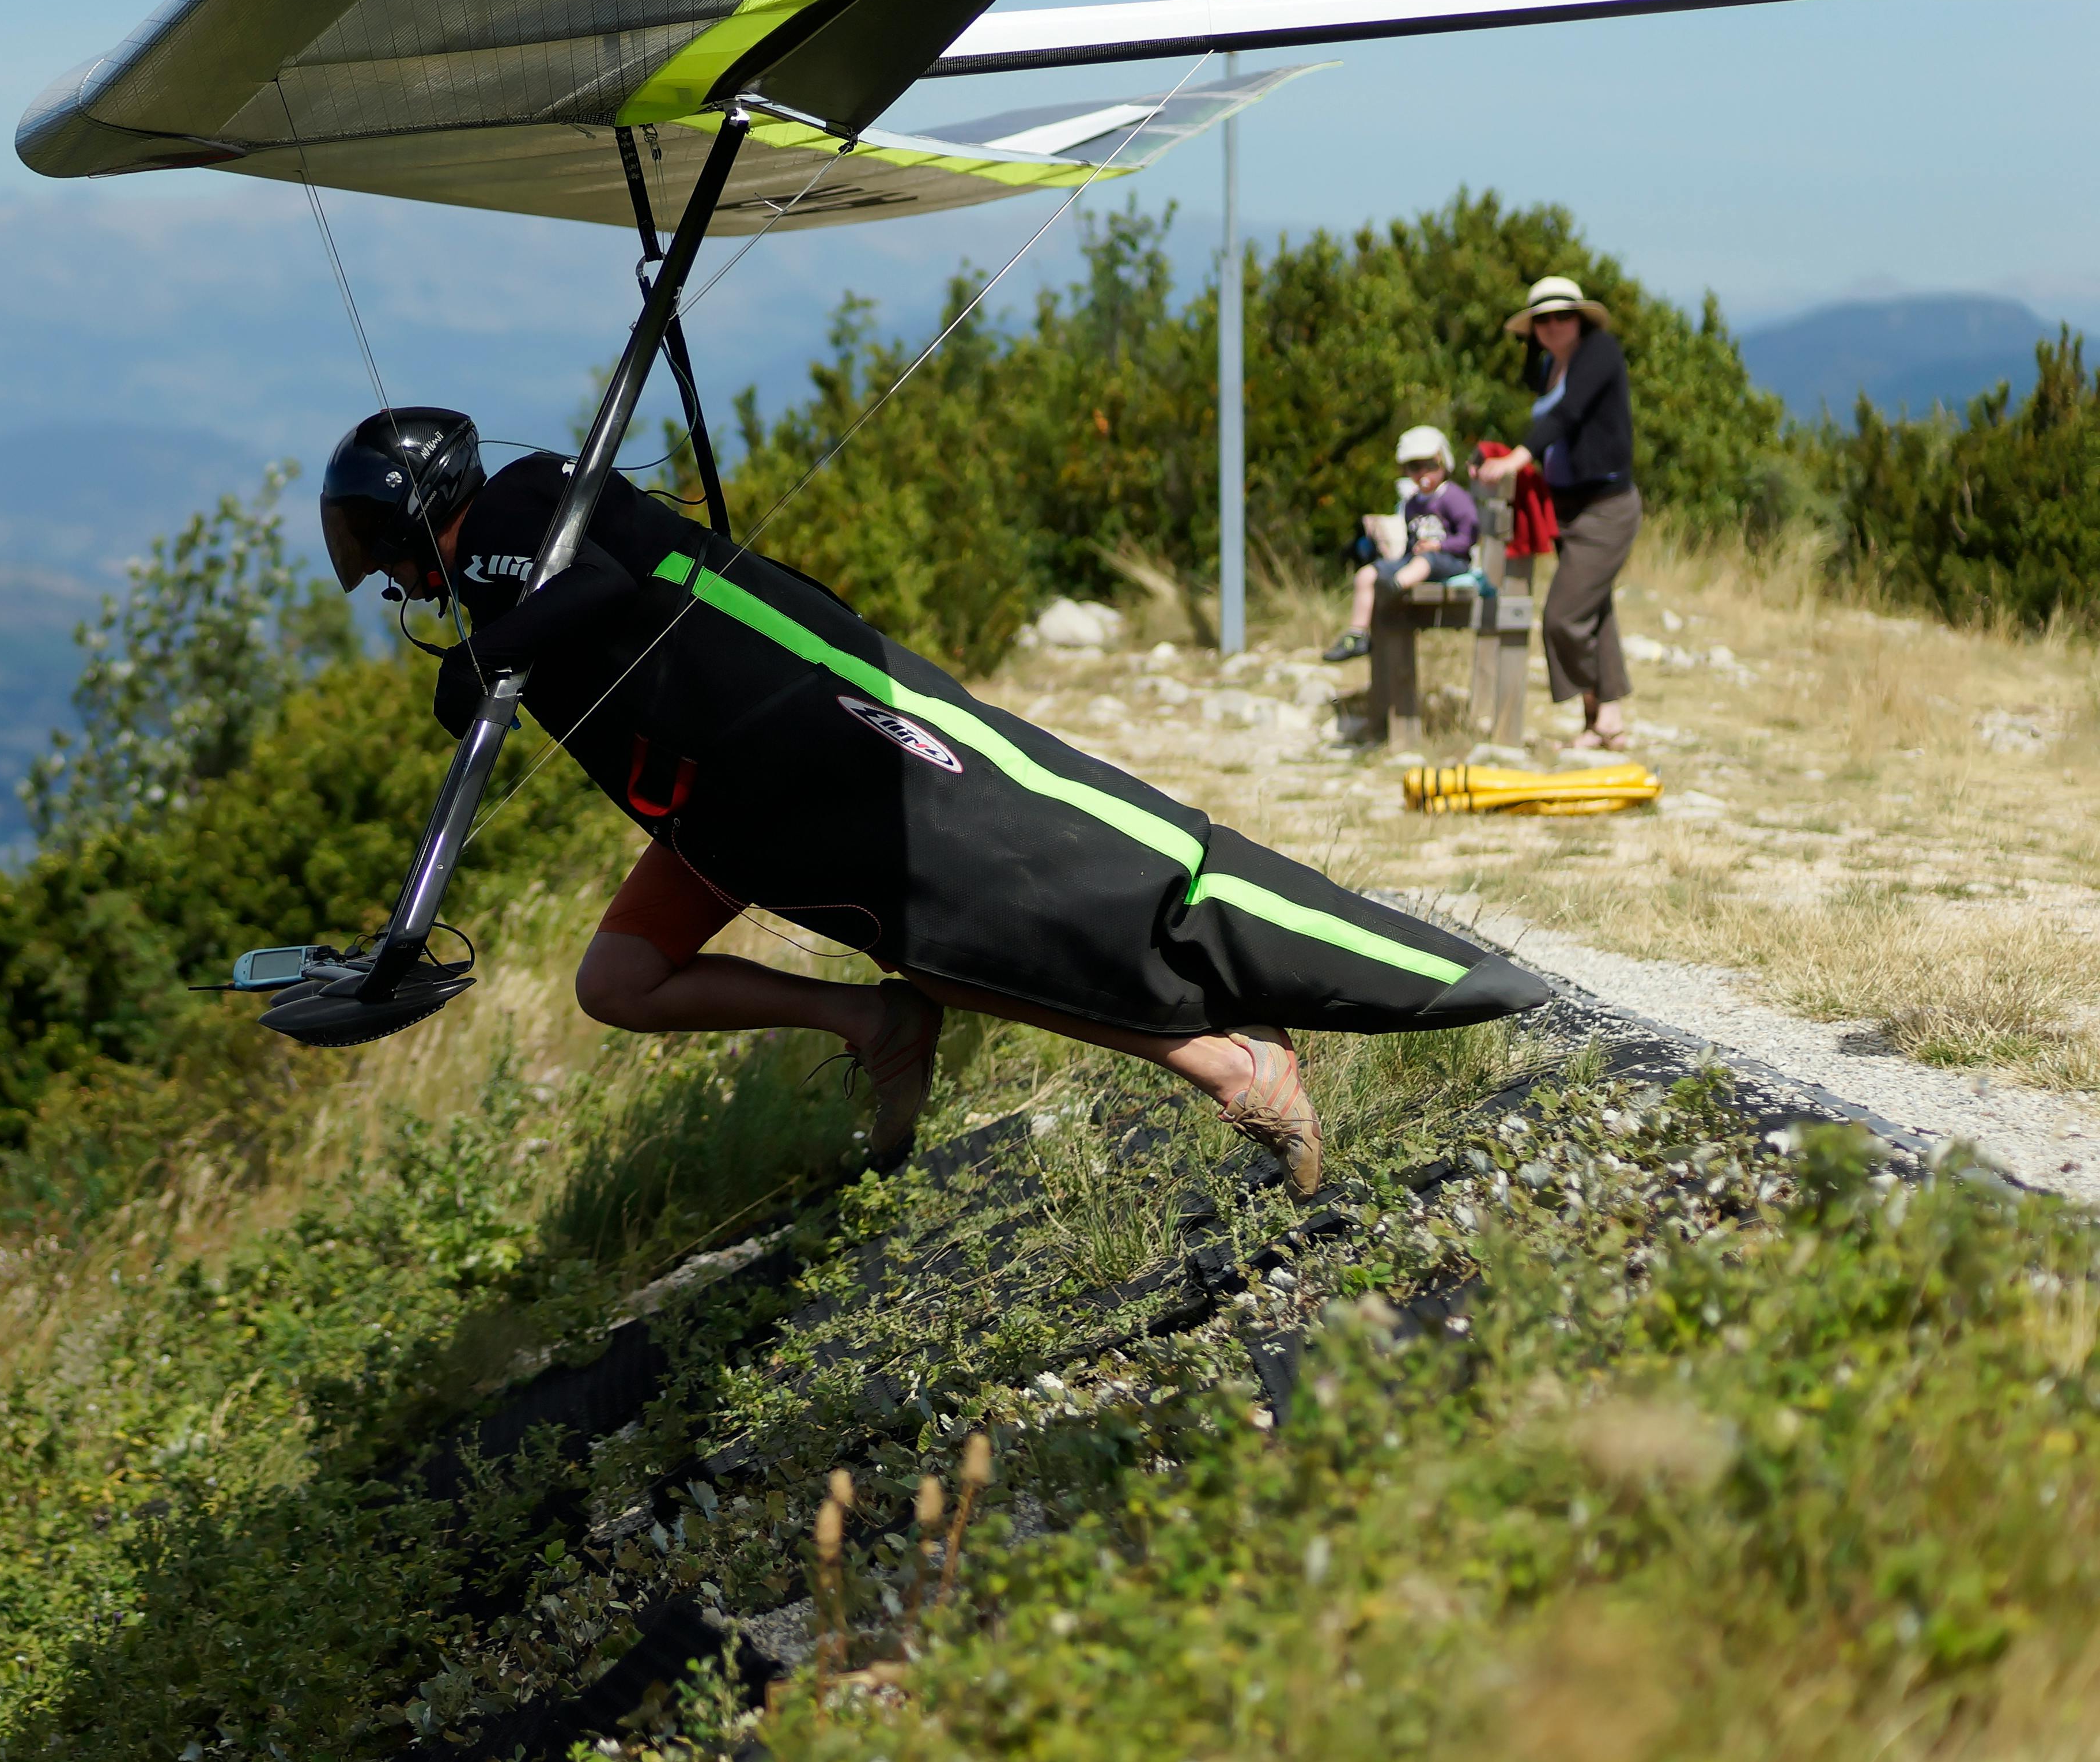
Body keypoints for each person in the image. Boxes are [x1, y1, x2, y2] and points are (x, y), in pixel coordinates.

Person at [316, 408, 1550, 1197]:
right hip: (718, 803)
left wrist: (488, 653)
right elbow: (570, 614)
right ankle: (874, 1028)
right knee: (617, 981)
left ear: (413, 511)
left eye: (380, 544)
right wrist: (489, 653)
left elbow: (602, 590)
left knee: (968, 933)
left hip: (792, 745)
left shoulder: (519, 515)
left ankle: (1230, 1063)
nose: (386, 572)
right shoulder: (506, 562)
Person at [1475, 276, 1638, 749]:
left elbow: (1566, 415)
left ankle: (1600, 711)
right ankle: (1604, 721)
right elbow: (1544, 408)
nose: (1552, 326)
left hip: (1606, 507)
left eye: (1562, 316)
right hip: (1566, 508)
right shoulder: (1550, 364)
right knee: (1596, 612)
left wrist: (1515, 459)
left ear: (1581, 319)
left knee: (1564, 617)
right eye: (1541, 320)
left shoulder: (1600, 352)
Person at [1321, 425, 1480, 663]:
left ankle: (1392, 589)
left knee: (1424, 562)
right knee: (1367, 574)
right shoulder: (1413, 503)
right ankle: (1357, 635)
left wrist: (1438, 546)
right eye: (1415, 467)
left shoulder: (1453, 497)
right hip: (1416, 561)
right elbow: (1410, 542)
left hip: (1450, 561)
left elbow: (1468, 538)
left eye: (1431, 465)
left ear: (1444, 463)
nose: (1423, 473)